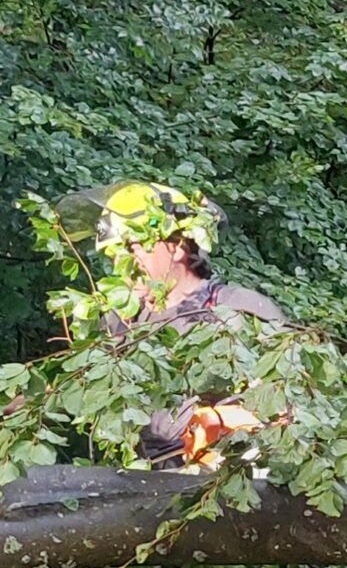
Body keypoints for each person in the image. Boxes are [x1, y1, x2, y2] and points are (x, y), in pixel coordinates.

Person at [58, 180, 284, 465]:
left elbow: (290, 405)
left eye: (131, 249)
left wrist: (217, 420)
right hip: (142, 484)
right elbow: (78, 390)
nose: (121, 266)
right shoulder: (121, 321)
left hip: (227, 487)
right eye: (114, 255)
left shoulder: (239, 310)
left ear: (175, 246)